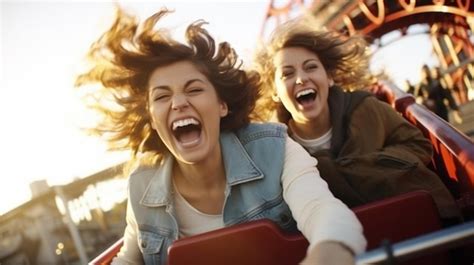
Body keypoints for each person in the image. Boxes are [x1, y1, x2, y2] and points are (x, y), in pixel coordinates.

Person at [75, 8, 366, 265]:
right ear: (152, 118)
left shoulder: (274, 148)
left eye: (194, 89)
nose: (178, 103)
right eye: (162, 96)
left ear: (221, 105)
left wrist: (328, 254)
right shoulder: (141, 184)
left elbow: (323, 211)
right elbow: (129, 259)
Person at [254, 18, 460, 220]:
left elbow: (419, 146)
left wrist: (341, 172)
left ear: (329, 77)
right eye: (287, 74)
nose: (301, 78)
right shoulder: (275, 152)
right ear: (275, 92)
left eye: (311, 67)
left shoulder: (368, 108)